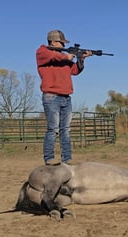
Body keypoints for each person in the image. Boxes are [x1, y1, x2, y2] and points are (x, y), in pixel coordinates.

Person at [36, 29, 92, 166]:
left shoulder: (64, 57)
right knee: (53, 129)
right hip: (51, 97)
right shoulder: (43, 52)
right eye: (62, 43)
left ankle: (67, 158)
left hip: (66, 97)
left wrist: (81, 59)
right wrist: (69, 56)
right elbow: (55, 57)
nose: (63, 46)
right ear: (54, 42)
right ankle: (49, 158)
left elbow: (75, 71)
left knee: (65, 130)